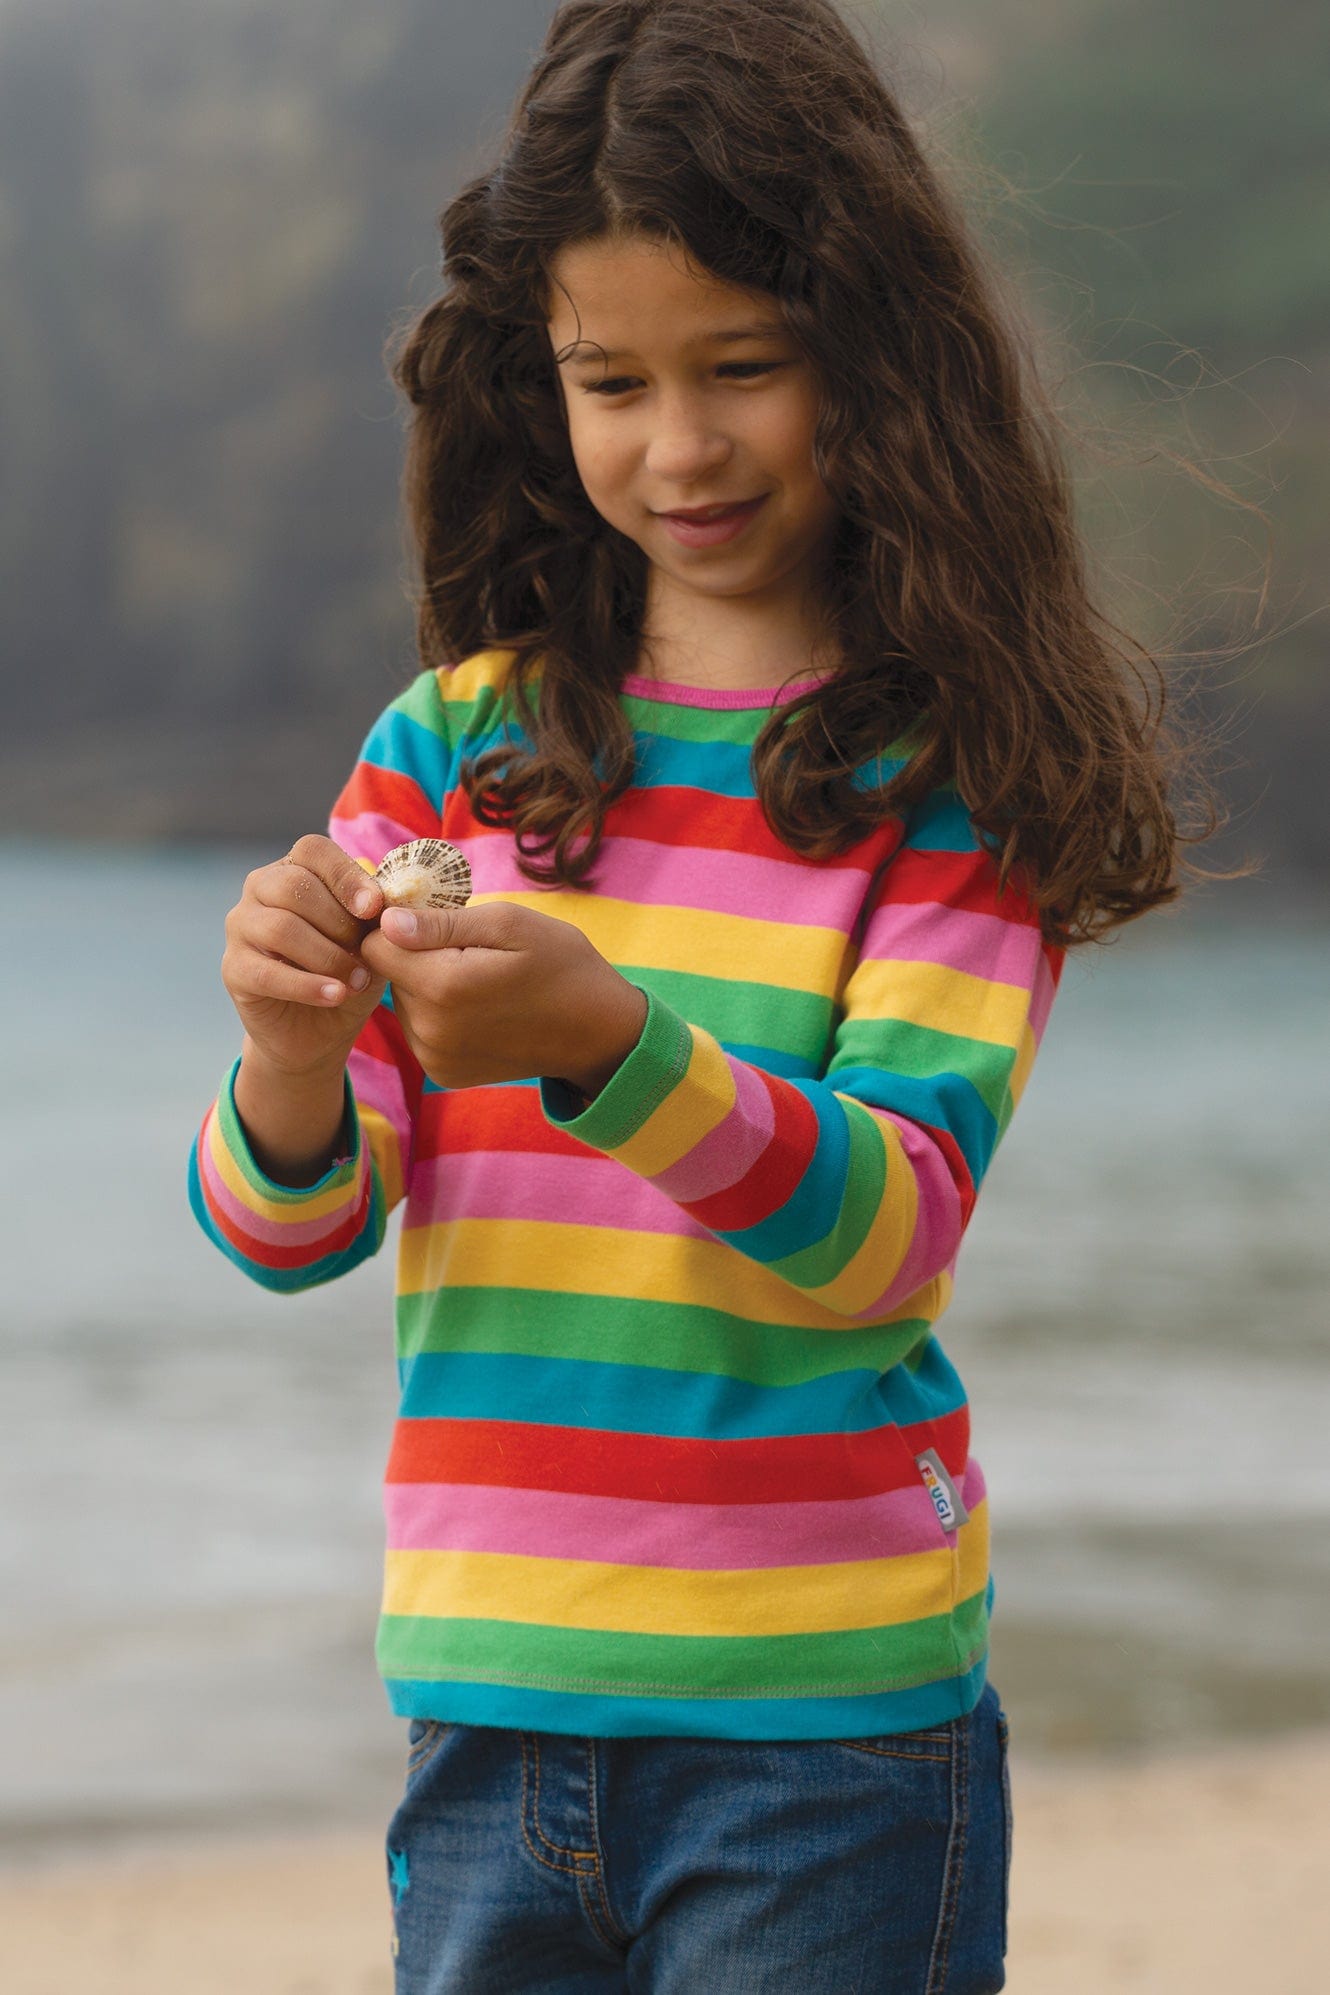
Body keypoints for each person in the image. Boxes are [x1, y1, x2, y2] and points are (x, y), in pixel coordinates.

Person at [188, 2, 1211, 1987]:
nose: (678, 443)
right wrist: (289, 1055)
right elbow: (292, 1228)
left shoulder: (941, 773)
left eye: (740, 365)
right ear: (539, 374)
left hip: (818, 1736)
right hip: (484, 1713)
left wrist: (606, 1040)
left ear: (866, 349)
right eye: (611, 377)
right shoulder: (446, 751)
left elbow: (884, 1225)